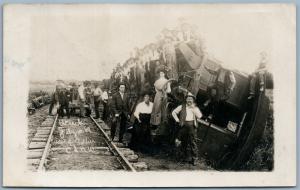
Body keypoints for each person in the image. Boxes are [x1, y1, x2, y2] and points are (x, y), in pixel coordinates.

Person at [172, 93, 202, 165]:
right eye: (188, 99)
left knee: (193, 143)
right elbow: (173, 112)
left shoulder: (195, 108)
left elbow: (200, 116)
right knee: (183, 142)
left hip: (192, 127)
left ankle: (194, 159)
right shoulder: (181, 106)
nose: (189, 100)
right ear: (186, 100)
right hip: (183, 126)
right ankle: (182, 158)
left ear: (193, 100)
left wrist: (193, 109)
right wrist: (177, 119)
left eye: (191, 99)